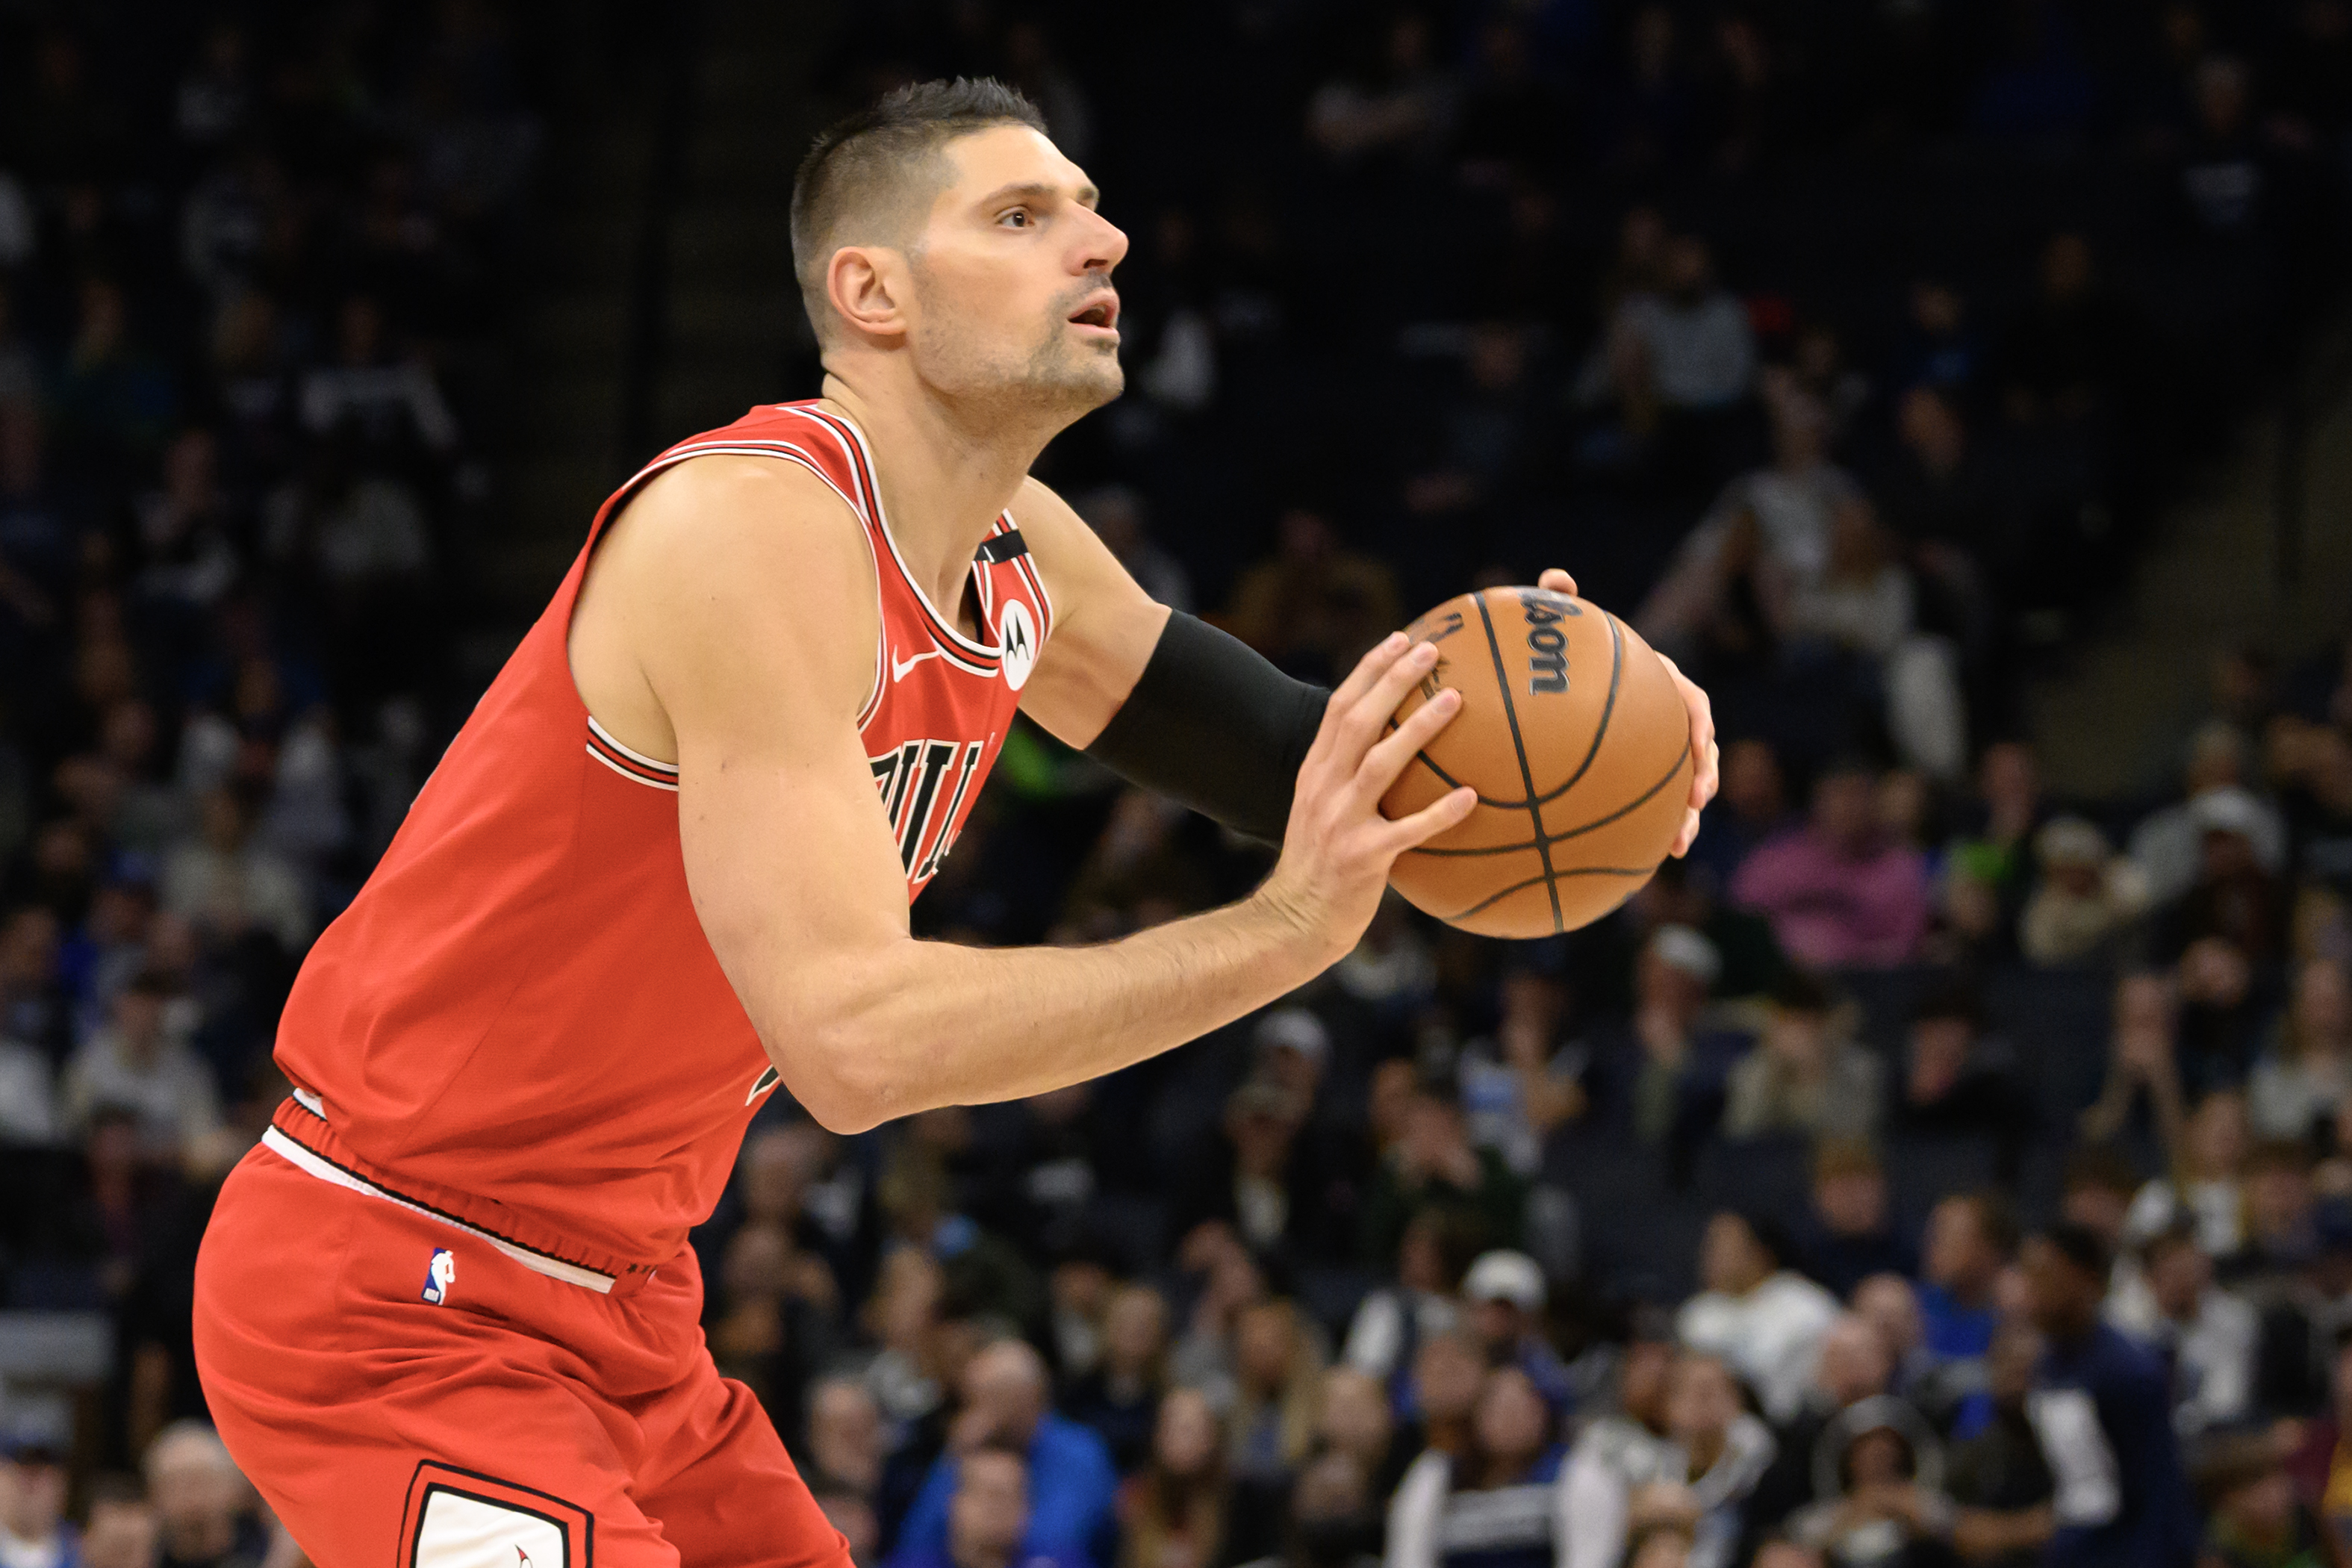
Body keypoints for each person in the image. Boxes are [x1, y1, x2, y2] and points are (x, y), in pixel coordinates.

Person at [189, 77, 1721, 1568]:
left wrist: (1579, 753)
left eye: (1093, 210)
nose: (1102, 241)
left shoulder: (1010, 552)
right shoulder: (750, 527)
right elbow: (852, 1041)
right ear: (874, 293)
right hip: (391, 1281)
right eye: (1020, 214)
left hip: (620, 1301)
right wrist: (1278, 936)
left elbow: (1287, 753)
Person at [2019, 1223, 2197, 1568]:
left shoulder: (2130, 1372)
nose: (2030, 1292)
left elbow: (2160, 1493)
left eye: (2043, 1278)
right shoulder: (2044, 1369)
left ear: (2085, 1278)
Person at [896, 1341, 1119, 1568]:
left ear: (1028, 1397)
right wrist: (953, 1456)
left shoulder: (1079, 1452)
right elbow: (916, 1539)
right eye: (972, 1400)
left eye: (989, 1398)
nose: (976, 1413)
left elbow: (1058, 1541)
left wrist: (982, 1535)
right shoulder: (968, 1449)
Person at [1384, 1369, 1567, 1568]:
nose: (1510, 1418)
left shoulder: (1569, 1473)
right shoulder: (1438, 1475)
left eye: (1521, 1408)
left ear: (1543, 1415)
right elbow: (1410, 1552)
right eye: (1500, 1408)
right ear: (1477, 1417)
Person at [1678, 1213, 1841, 1424]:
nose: (1712, 1257)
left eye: (1725, 1246)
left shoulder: (1806, 1305)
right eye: (1710, 1247)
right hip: (1725, 1431)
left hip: (1801, 1426)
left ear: (1761, 1252)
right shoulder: (1697, 1315)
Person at [889, 1443, 1084, 1568]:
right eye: (988, 1494)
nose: (998, 1507)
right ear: (954, 1503)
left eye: (1011, 1496)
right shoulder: (910, 1564)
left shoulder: (1062, 1562)